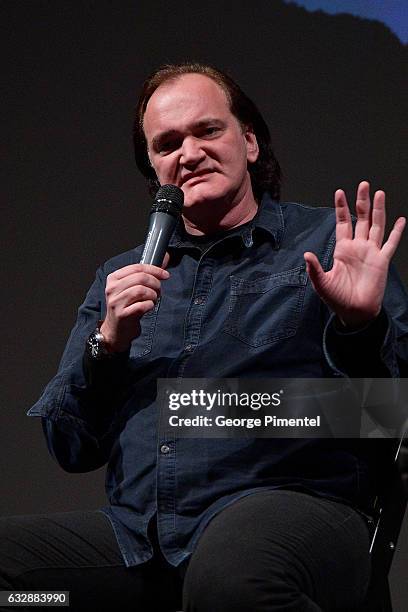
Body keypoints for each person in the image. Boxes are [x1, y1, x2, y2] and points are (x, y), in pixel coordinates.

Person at [2, 63, 408, 612]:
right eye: (167, 144)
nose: (188, 153)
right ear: (154, 170)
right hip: (140, 540)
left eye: (207, 131)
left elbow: (389, 416)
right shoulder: (121, 278)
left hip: (290, 509)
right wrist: (108, 344)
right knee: (24, 593)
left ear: (250, 142)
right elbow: (70, 448)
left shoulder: (328, 246)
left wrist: (360, 327)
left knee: (231, 583)